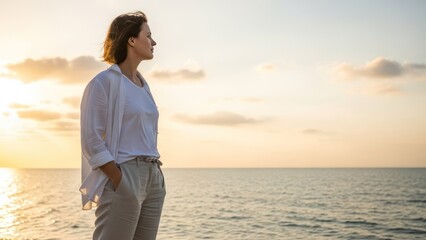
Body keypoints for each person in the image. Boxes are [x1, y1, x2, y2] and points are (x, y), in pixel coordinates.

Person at [79, 11, 166, 240]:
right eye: (148, 35)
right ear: (131, 39)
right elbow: (91, 140)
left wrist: (156, 174)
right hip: (126, 174)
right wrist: (119, 179)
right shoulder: (103, 83)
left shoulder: (144, 87)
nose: (153, 41)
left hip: (153, 177)